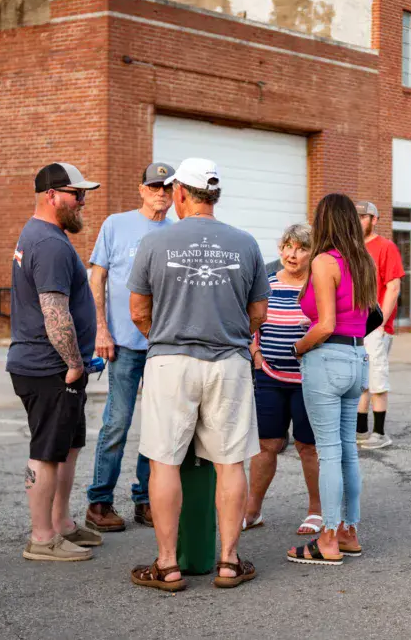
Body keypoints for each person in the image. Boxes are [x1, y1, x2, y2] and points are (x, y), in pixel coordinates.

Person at [128, 158, 268, 591]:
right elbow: (259, 312)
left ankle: (168, 564)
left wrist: (166, 336)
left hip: (170, 362)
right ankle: (228, 561)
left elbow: (138, 311)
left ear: (181, 194)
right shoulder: (245, 243)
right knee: (230, 462)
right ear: (215, 195)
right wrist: (229, 334)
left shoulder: (155, 241)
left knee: (164, 461)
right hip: (229, 362)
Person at [6, 163, 103, 562]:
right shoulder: (49, 244)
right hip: (50, 367)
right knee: (47, 452)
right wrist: (74, 363)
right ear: (51, 195)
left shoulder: (42, 235)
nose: (82, 202)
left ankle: (61, 523)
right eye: (75, 194)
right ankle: (42, 538)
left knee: (67, 446)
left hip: (52, 365)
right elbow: (54, 311)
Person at [83, 163, 175, 533]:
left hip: (162, 345)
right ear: (141, 190)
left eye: (167, 188)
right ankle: (99, 501)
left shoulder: (177, 232)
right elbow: (98, 277)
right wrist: (100, 329)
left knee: (157, 426)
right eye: (154, 186)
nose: (161, 193)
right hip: (122, 342)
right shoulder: (116, 224)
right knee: (117, 422)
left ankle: (145, 499)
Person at [285, 193, 375, 566]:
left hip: (328, 358)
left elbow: (324, 325)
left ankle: (327, 539)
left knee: (329, 453)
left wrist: (298, 347)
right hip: (357, 358)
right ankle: (349, 532)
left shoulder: (325, 261)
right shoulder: (363, 261)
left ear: (324, 221)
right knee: (348, 451)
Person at [244, 223, 322, 535]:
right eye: (288, 247)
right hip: (269, 376)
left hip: (308, 380)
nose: (293, 254)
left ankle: (316, 510)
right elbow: (251, 321)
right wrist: (255, 353)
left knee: (307, 446)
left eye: (302, 248)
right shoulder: (267, 283)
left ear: (312, 253)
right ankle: (252, 510)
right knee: (266, 444)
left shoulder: (317, 286)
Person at [355, 201, 404, 450]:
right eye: (355, 216)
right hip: (354, 325)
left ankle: (380, 433)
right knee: (360, 380)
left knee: (376, 378)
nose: (358, 221)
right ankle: (360, 431)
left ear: (374, 220)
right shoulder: (351, 248)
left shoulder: (386, 247)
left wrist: (380, 322)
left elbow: (393, 287)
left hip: (375, 326)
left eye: (363, 217)